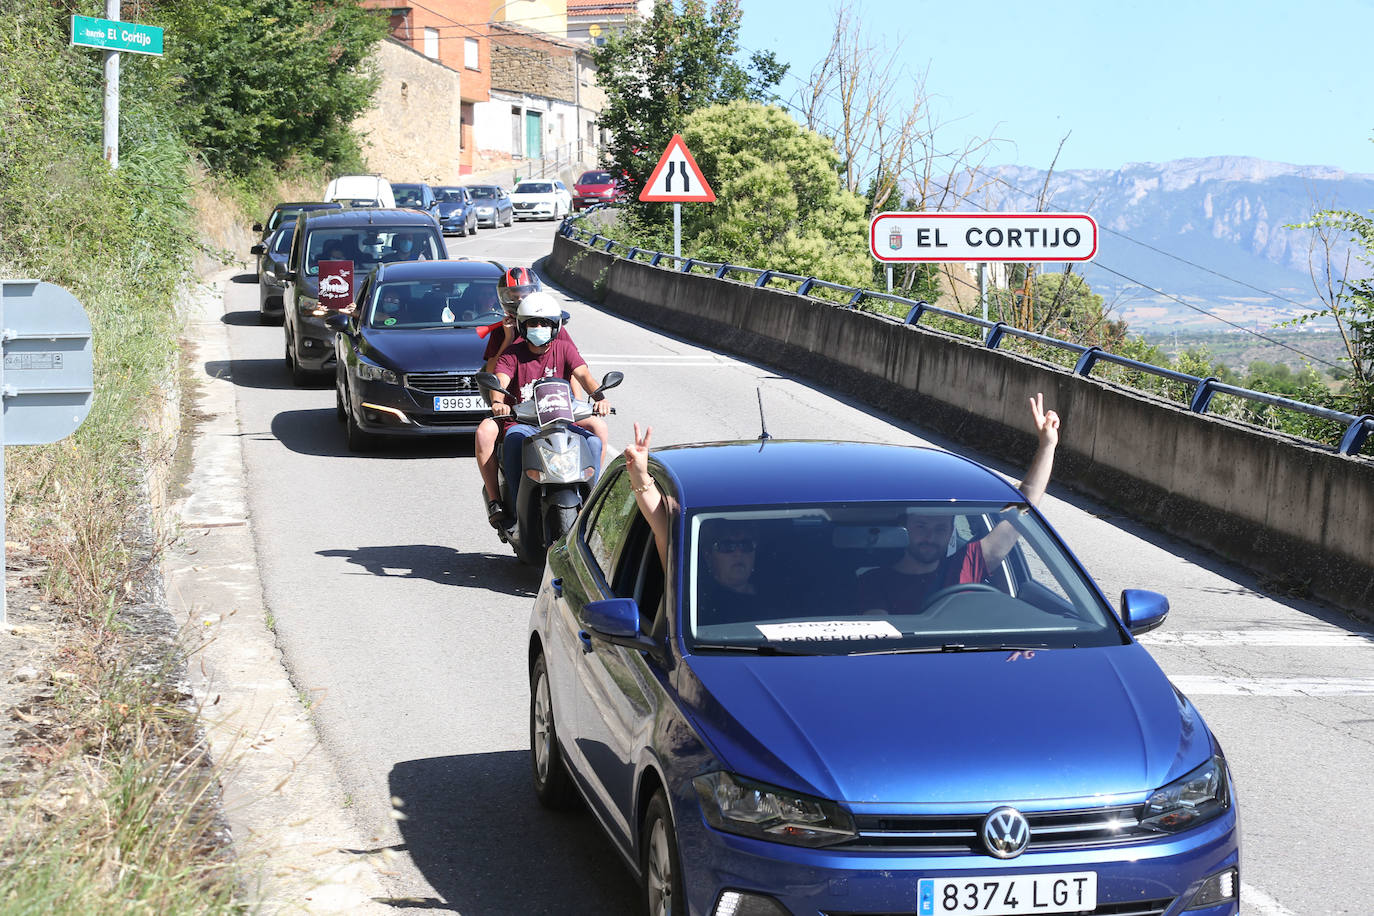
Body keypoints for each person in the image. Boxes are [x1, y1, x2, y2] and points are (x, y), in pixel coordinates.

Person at [857, 392, 1061, 614]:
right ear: (906, 527)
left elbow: (1022, 506)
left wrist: (1047, 445)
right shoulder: (875, 581)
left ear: (951, 532)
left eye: (940, 528)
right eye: (921, 526)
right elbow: (878, 628)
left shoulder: (967, 563)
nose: (930, 537)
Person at [475, 291, 612, 528]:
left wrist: (600, 398)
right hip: (524, 423)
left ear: (555, 326)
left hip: (562, 420)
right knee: (514, 440)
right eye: (533, 323)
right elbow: (500, 382)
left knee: (595, 437)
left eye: (544, 323)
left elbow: (584, 376)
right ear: (522, 326)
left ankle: (591, 502)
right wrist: (498, 403)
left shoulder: (564, 349)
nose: (539, 328)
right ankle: (515, 506)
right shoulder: (511, 354)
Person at [624, 424, 758, 625]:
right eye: (727, 546)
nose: (738, 553)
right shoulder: (695, 592)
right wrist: (640, 476)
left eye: (746, 546)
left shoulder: (777, 589)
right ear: (708, 555)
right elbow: (665, 532)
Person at [483, 266, 542, 373]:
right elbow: (490, 371)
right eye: (514, 298)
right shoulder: (500, 332)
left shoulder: (547, 326)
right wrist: (508, 338)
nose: (520, 302)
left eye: (525, 297)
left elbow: (572, 364)